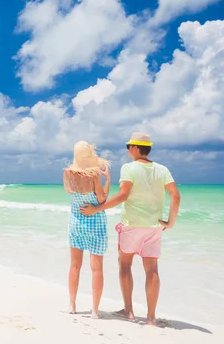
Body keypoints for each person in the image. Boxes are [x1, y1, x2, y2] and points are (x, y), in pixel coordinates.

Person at [80, 133, 181, 326]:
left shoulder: (128, 168)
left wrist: (97, 209)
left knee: (125, 265)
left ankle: (129, 311)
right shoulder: (162, 169)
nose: (127, 149)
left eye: (128, 146)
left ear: (136, 148)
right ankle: (151, 317)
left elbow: (123, 195)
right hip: (154, 228)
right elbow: (176, 196)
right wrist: (170, 222)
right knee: (152, 270)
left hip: (132, 225)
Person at [63, 141, 111, 319]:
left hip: (75, 223)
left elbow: (71, 192)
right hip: (95, 224)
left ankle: (72, 305)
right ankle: (95, 310)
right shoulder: (94, 175)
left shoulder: (68, 174)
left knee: (75, 266)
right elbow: (102, 200)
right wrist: (108, 180)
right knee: (96, 269)